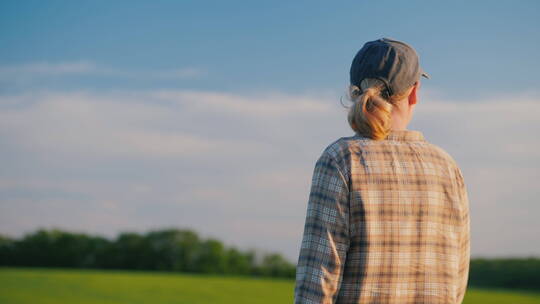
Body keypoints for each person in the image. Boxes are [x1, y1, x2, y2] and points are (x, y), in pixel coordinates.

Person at [294, 38, 470, 304]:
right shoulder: (448, 167)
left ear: (355, 92)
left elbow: (316, 287)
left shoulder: (340, 159)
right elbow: (457, 285)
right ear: (414, 92)